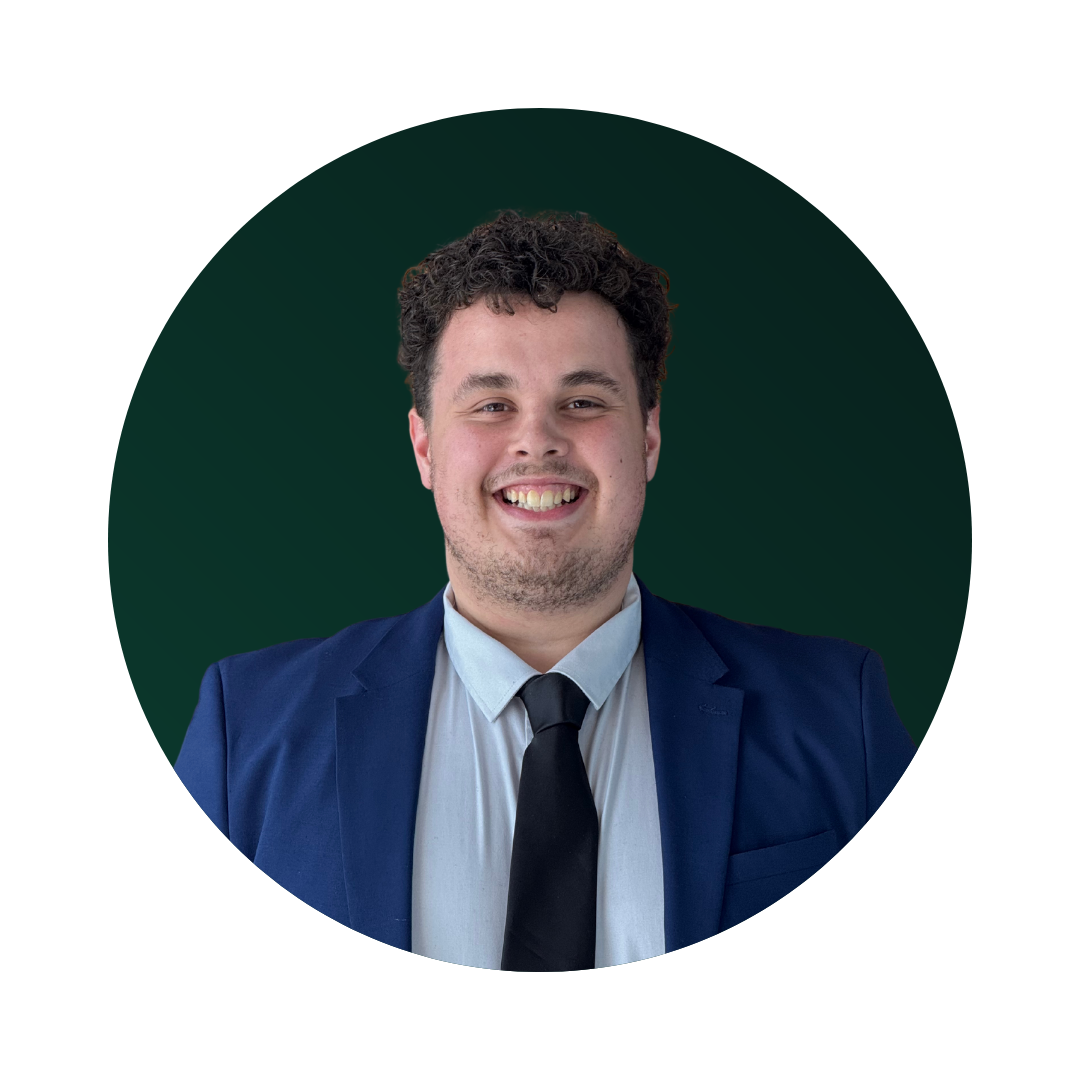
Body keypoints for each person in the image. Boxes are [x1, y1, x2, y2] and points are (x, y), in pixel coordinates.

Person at [175, 210, 915, 970]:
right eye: (492, 405)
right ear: (424, 446)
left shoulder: (837, 722)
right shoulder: (249, 735)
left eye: (584, 402)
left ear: (649, 437)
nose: (537, 441)